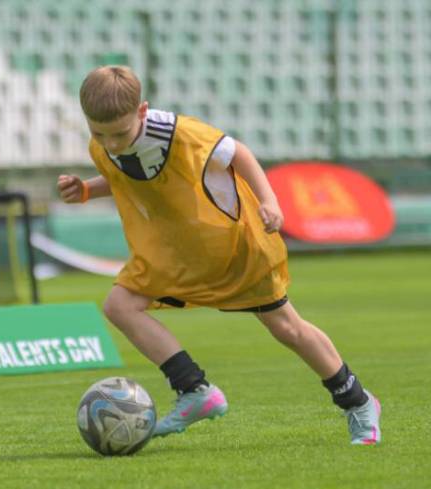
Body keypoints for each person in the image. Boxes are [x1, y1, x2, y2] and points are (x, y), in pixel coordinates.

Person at [57, 65, 381, 445]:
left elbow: (238, 153)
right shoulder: (104, 145)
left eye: (119, 134)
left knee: (286, 328)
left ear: (142, 111)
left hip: (232, 248)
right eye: (99, 134)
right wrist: (86, 190)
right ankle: (194, 390)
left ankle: (358, 402)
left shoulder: (183, 135)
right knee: (119, 306)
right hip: (175, 253)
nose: (110, 143)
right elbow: (126, 172)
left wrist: (270, 201)